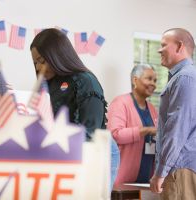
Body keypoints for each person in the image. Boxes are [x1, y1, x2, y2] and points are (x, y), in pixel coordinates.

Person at [30, 28, 120, 189]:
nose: (38, 67)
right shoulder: (47, 84)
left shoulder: (85, 81)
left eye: (41, 61)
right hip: (64, 148)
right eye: (35, 62)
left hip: (93, 148)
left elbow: (90, 131)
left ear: (57, 56)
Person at [150, 28, 196, 199]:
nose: (159, 50)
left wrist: (161, 172)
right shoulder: (186, 77)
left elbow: (177, 129)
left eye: (163, 45)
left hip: (180, 168)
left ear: (179, 46)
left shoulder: (184, 78)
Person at [107, 64, 157, 186]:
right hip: (122, 181)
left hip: (146, 182)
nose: (153, 84)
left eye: (155, 80)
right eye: (149, 79)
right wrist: (144, 131)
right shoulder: (120, 103)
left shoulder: (152, 108)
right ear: (135, 80)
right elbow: (115, 135)